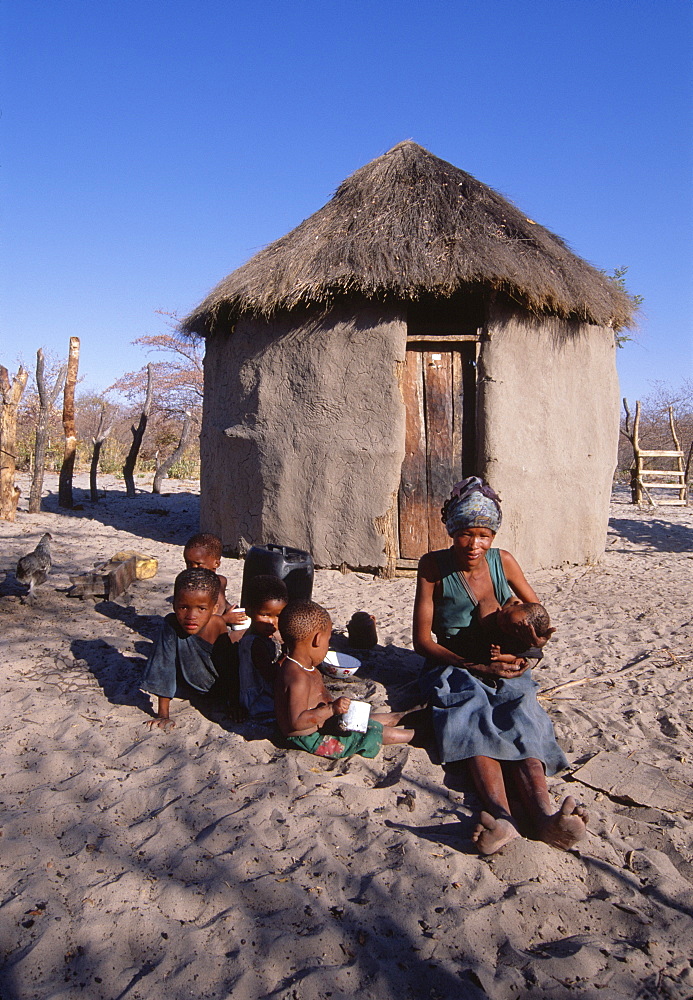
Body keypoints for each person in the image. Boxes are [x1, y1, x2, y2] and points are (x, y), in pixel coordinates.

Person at [412, 477, 588, 855]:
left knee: (522, 709)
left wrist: (528, 655)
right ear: (451, 530)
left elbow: (538, 620)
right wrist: (471, 664)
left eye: (484, 535)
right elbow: (423, 642)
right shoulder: (432, 567)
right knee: (471, 711)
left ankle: (543, 814)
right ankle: (501, 815)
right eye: (466, 535)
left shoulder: (502, 561)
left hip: (505, 661)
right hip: (454, 662)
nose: (475, 545)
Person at [275, 599, 414, 759]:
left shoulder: (305, 666)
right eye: (328, 641)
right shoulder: (297, 677)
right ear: (317, 640)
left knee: (361, 718)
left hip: (324, 721)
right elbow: (297, 721)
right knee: (366, 734)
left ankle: (401, 717)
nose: (328, 646)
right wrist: (331, 709)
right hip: (310, 738)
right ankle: (413, 735)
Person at [141, 568, 231, 729]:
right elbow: (164, 665)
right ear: (174, 604)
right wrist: (163, 715)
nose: (191, 616)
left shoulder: (217, 624)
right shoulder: (172, 624)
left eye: (201, 609)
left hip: (216, 689)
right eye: (183, 607)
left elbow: (230, 666)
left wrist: (235, 704)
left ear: (214, 608)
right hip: (187, 684)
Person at [234, 575, 289, 723]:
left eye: (278, 616)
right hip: (259, 701)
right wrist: (287, 657)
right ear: (250, 611)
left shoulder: (265, 635)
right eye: (265, 615)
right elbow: (270, 674)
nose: (272, 622)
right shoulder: (255, 643)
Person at [183, 532, 246, 627]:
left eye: (198, 564)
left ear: (216, 564)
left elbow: (222, 602)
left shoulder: (220, 581)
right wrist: (225, 619)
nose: (193, 568)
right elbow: (197, 620)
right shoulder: (191, 588)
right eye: (188, 564)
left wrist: (232, 609)